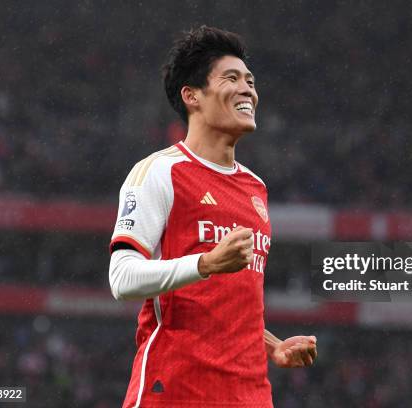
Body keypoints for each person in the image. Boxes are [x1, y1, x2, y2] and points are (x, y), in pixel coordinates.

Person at [109, 26, 317, 408]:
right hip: (174, 390)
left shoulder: (255, 188)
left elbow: (229, 303)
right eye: (232, 78)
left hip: (250, 394)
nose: (248, 90)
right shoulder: (160, 172)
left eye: (250, 81)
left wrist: (272, 346)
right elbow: (121, 278)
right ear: (192, 96)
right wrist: (205, 263)